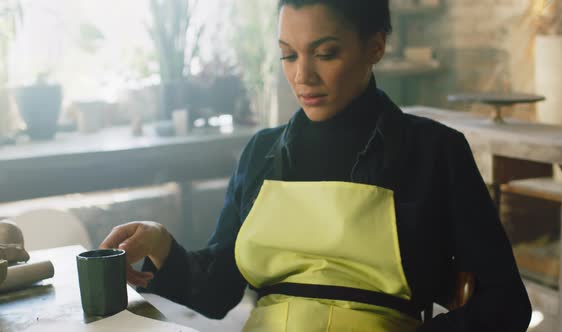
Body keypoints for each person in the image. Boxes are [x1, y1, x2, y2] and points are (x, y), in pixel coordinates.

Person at [100, 0, 532, 331]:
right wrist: (162, 246)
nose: (303, 77)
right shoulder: (261, 154)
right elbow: (218, 292)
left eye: (325, 53)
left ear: (375, 46)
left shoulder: (434, 152)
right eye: (289, 55)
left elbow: (505, 303)